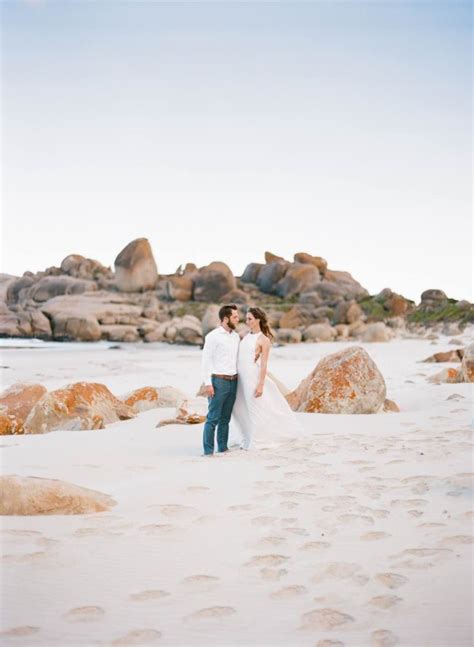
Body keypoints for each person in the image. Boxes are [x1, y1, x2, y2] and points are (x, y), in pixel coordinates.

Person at [229, 306, 300, 450]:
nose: (247, 321)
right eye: (247, 318)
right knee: (239, 408)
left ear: (258, 320)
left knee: (255, 408)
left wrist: (260, 384)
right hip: (240, 377)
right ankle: (246, 436)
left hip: (252, 377)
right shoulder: (245, 335)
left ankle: (257, 440)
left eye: (250, 319)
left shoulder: (264, 339)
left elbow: (264, 364)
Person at [201, 304, 240, 456]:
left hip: (233, 381)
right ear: (226, 318)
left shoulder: (236, 337)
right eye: (235, 317)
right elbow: (206, 361)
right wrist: (208, 383)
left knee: (225, 418)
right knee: (213, 418)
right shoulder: (213, 337)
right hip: (219, 381)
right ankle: (208, 451)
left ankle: (222, 448)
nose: (238, 319)